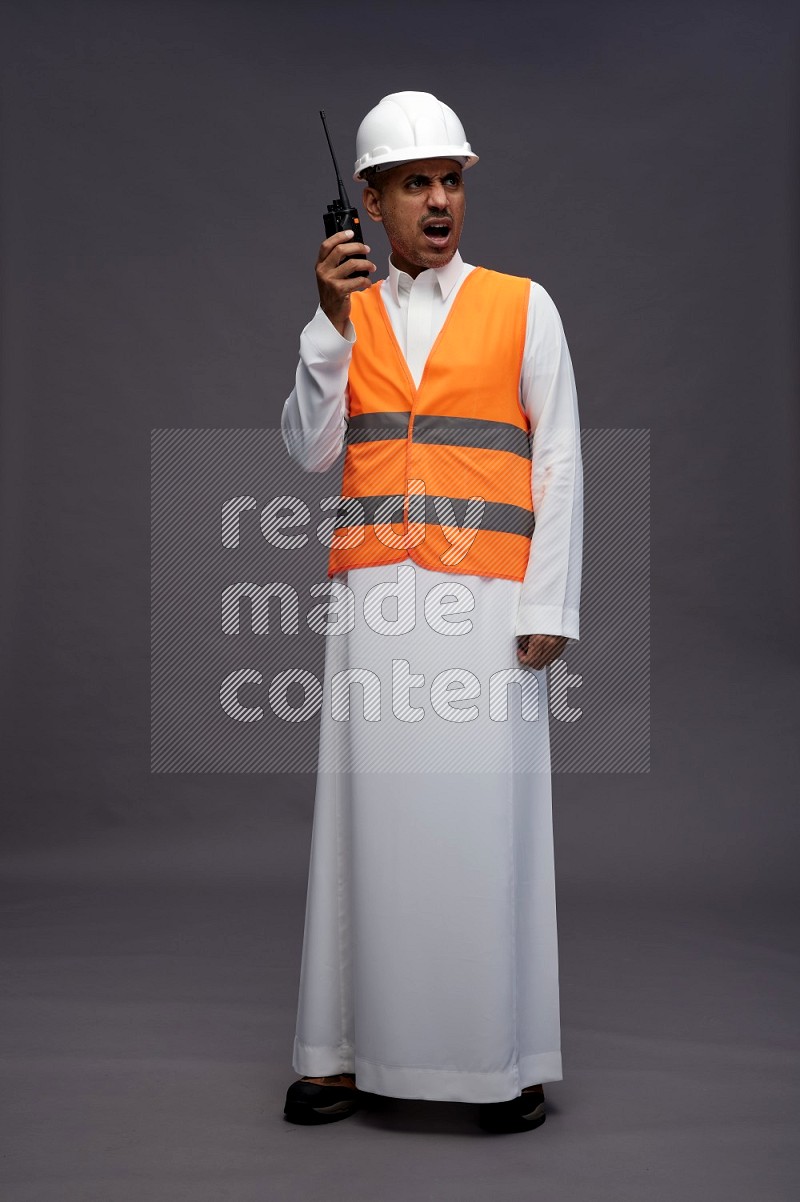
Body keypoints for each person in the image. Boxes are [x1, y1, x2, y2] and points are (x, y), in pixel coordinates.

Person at [280, 91, 583, 1134]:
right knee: (363, 823)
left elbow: (558, 458)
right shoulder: (343, 313)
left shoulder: (521, 304)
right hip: (375, 598)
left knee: (483, 823)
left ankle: (495, 1058)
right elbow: (310, 448)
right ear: (366, 202)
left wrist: (551, 600)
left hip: (489, 603)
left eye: (450, 178)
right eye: (415, 182)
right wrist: (325, 326)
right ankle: (337, 1055)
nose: (440, 198)